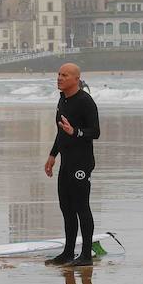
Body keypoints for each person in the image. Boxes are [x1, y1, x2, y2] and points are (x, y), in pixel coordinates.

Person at [44, 63, 100, 266]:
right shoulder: (62, 100)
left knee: (81, 207)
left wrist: (75, 132)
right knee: (66, 207)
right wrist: (52, 155)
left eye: (64, 75)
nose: (59, 78)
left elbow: (95, 132)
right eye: (58, 74)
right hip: (66, 162)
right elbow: (61, 131)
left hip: (82, 163)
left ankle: (85, 255)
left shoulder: (85, 101)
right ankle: (68, 252)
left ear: (76, 79)